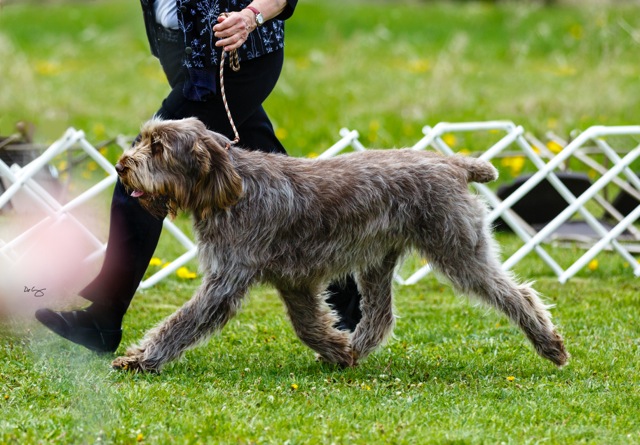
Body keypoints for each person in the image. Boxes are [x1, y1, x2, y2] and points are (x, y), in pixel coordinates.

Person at [35, 0, 362, 353]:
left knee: (139, 172)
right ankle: (351, 309)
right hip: (182, 54)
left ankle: (102, 319)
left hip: (236, 56)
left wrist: (251, 16)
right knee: (281, 181)